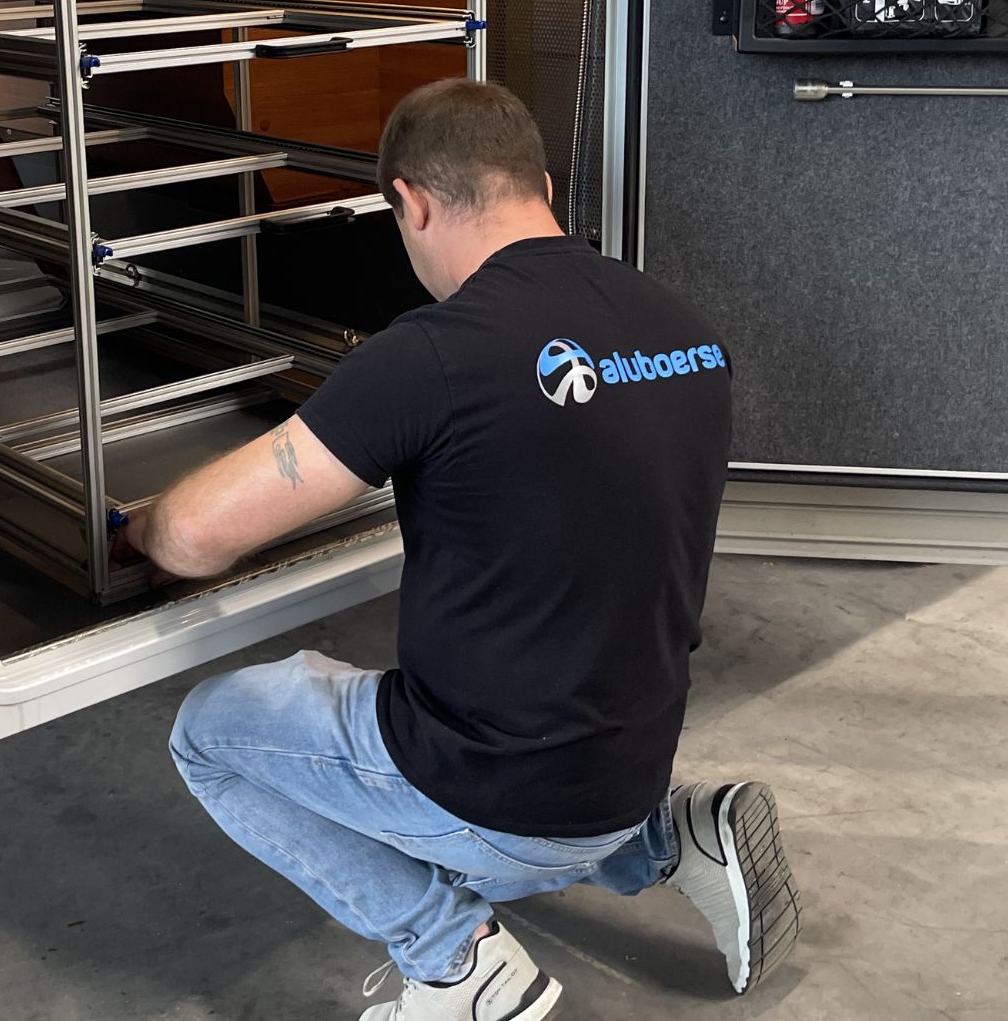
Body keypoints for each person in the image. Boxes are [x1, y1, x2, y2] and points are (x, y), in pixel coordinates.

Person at [123, 80, 801, 1021]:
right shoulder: (682, 328)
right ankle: (670, 837)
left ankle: (454, 961)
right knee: (395, 684)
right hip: (630, 761)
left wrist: (136, 526)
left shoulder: (435, 354)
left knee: (211, 733)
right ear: (543, 187)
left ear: (411, 203)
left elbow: (196, 538)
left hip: (504, 802)